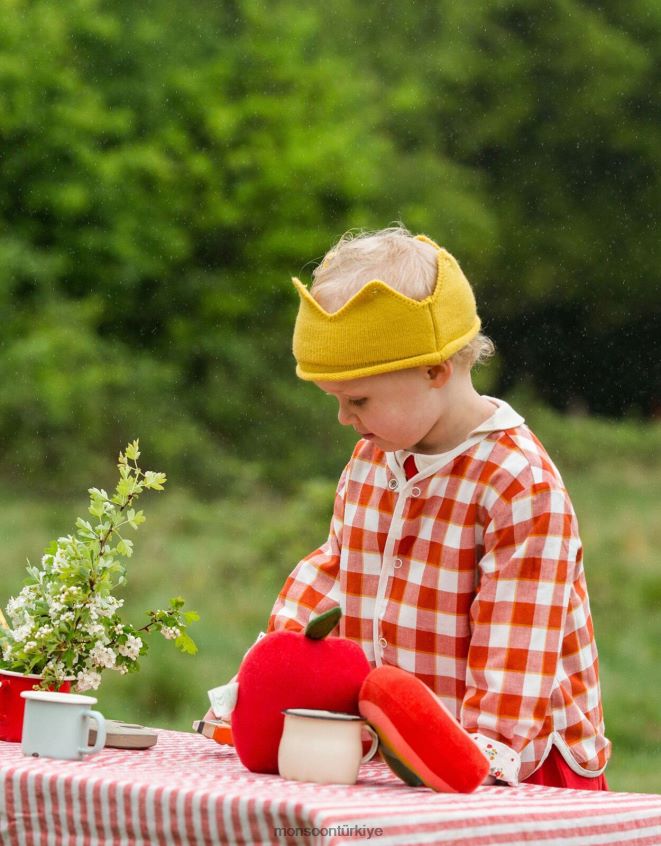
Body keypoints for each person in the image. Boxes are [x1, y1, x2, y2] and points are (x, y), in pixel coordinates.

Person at [211, 226, 611, 788]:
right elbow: (335, 575)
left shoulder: (517, 484)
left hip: (515, 770)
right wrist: (261, 686)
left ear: (435, 370)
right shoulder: (374, 459)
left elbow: (517, 643)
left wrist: (481, 757)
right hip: (403, 761)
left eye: (359, 400)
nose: (345, 418)